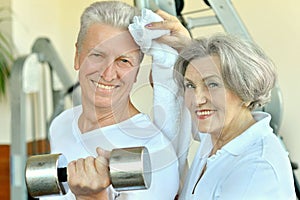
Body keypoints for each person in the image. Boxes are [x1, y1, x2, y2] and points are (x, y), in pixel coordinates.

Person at [41, 1, 179, 200]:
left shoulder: (155, 153)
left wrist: (93, 197)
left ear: (137, 71)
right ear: (77, 56)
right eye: (97, 55)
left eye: (124, 61)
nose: (108, 73)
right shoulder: (61, 124)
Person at [171, 34, 296, 199]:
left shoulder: (257, 168)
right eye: (190, 85)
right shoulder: (217, 135)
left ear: (245, 91)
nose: (197, 99)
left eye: (212, 84)